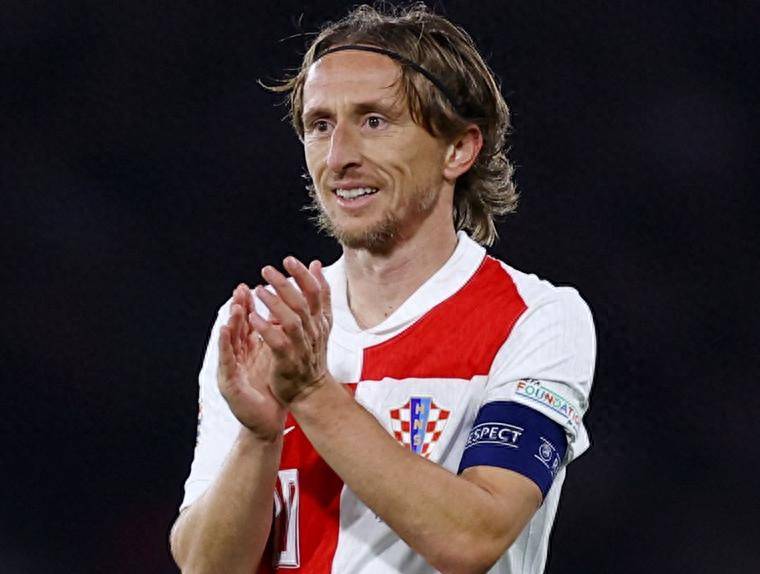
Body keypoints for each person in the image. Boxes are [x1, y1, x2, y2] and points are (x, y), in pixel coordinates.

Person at [170, 4, 596, 573]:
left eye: (374, 121)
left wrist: (311, 393)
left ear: (458, 149)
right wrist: (258, 436)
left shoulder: (534, 318)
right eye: (320, 125)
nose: (339, 157)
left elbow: (473, 538)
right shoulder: (260, 324)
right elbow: (205, 568)